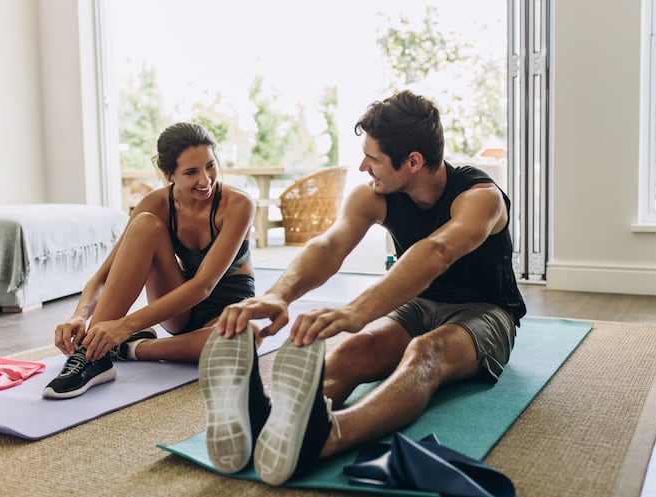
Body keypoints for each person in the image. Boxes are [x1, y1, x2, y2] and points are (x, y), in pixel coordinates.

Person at [197, 90, 527, 485]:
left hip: (486, 311)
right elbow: (330, 245)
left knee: (426, 352)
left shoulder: (481, 198)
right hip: (421, 303)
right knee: (358, 348)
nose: (362, 165)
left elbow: (437, 251)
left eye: (372, 158)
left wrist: (357, 310)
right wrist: (277, 295)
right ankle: (268, 420)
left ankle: (328, 437)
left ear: (413, 162)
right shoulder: (376, 195)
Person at [43, 122, 257, 400]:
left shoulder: (238, 204)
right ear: (168, 174)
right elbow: (104, 274)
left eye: (210, 165)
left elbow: (203, 286)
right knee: (144, 225)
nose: (205, 180)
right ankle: (92, 356)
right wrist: (80, 315)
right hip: (178, 305)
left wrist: (125, 328)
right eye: (191, 172)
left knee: (245, 337)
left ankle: (128, 348)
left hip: (227, 308)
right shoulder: (155, 204)